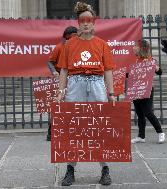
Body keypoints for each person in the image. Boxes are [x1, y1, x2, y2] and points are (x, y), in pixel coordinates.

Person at [56, 2, 115, 186]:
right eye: (82, 20)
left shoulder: (102, 45)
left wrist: (111, 93)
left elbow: (108, 71)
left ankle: (105, 169)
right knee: (74, 128)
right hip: (76, 85)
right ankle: (70, 169)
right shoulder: (69, 45)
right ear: (78, 23)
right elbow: (64, 70)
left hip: (97, 85)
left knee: (100, 128)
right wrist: (61, 92)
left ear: (94, 22)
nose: (86, 23)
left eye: (89, 20)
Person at [130, 39, 166, 144]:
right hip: (136, 89)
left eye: (135, 45)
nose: (133, 47)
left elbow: (160, 72)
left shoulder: (149, 60)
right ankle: (141, 136)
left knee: (147, 112)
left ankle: (160, 133)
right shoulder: (136, 60)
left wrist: (153, 66)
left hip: (147, 89)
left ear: (141, 48)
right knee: (140, 113)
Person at [46, 26, 78, 141]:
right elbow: (50, 62)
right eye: (69, 38)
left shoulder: (79, 47)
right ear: (65, 38)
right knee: (58, 106)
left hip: (75, 80)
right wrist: (54, 71)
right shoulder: (59, 47)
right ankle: (51, 133)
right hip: (62, 79)